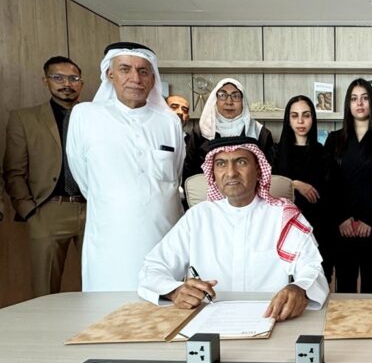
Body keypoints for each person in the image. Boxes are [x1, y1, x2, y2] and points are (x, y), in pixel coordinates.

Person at [138, 137, 328, 319]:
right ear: (213, 174)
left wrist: (299, 289)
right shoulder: (197, 217)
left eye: (241, 162)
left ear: (259, 171)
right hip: (206, 322)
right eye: (221, 163)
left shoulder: (283, 216)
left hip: (271, 318)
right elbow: (152, 269)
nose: (231, 173)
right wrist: (174, 291)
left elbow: (313, 270)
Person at [66, 42, 185, 292]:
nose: (135, 78)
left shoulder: (169, 121)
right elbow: (83, 177)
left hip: (162, 237)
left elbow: (174, 174)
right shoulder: (85, 116)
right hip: (110, 239)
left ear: (153, 78)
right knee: (108, 306)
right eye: (125, 69)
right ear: (110, 74)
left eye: (143, 71)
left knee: (165, 302)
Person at [3, 56, 86, 295]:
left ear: (81, 83)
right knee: (45, 287)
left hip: (94, 209)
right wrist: (28, 210)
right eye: (58, 78)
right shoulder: (24, 118)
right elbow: (14, 170)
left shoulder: (95, 116)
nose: (66, 84)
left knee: (99, 281)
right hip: (48, 210)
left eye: (73, 78)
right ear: (45, 81)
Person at [324, 79, 372, 293]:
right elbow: (329, 184)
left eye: (364, 98)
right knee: (344, 288)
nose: (359, 103)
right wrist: (342, 218)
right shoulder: (334, 140)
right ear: (348, 104)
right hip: (342, 227)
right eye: (354, 99)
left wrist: (370, 219)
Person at [274, 95, 332, 280]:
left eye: (306, 115)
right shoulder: (276, 152)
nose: (300, 121)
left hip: (318, 228)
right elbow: (269, 187)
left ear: (313, 119)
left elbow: (329, 192)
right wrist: (295, 184)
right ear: (288, 119)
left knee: (317, 282)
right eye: (295, 116)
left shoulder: (323, 152)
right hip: (284, 228)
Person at [182, 78, 275, 182]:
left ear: (243, 101)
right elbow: (189, 169)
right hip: (205, 189)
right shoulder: (201, 131)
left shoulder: (260, 133)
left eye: (236, 96)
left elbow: (269, 172)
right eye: (222, 95)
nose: (229, 102)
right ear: (215, 100)